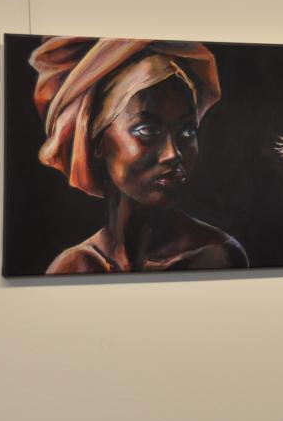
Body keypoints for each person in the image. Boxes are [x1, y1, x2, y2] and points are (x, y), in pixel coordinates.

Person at [30, 36, 248, 273]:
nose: (172, 154)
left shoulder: (215, 256)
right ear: (97, 141)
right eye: (147, 131)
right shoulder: (73, 267)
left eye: (186, 132)